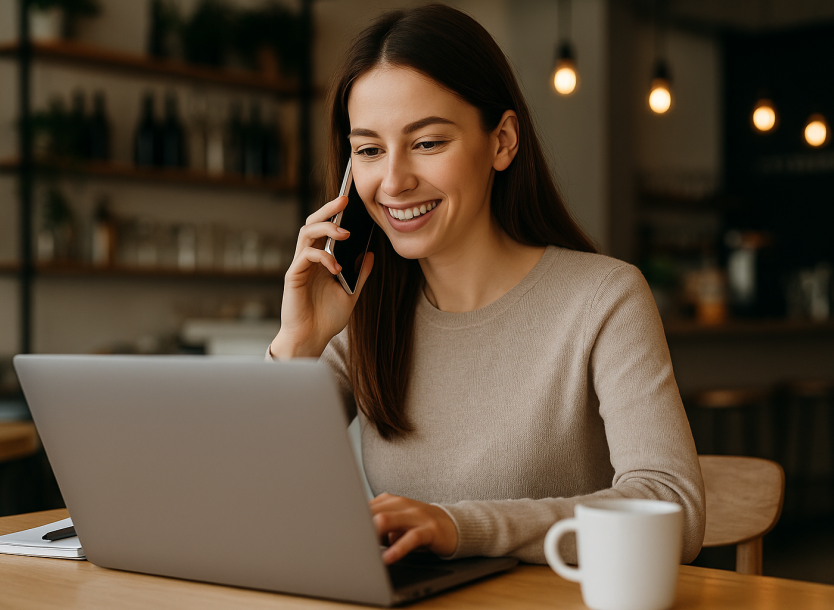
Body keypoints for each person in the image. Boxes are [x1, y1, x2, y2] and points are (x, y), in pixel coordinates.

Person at [269, 3, 704, 566]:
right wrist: (298, 346)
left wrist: (460, 527)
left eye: (428, 143)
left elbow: (673, 510)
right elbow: (256, 492)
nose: (394, 182)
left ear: (502, 142)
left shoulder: (605, 299)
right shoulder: (364, 315)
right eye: (369, 150)